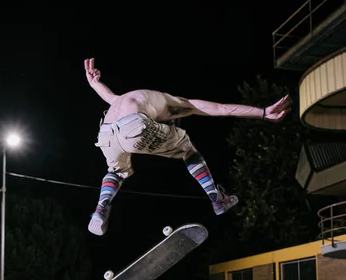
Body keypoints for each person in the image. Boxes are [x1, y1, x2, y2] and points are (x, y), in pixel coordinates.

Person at [84, 58, 291, 236]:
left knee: (117, 171)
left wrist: (94, 83)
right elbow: (222, 109)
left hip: (106, 134)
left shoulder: (128, 98)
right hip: (134, 126)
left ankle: (101, 207)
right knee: (187, 148)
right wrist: (263, 112)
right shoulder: (176, 103)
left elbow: (108, 96)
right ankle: (217, 199)